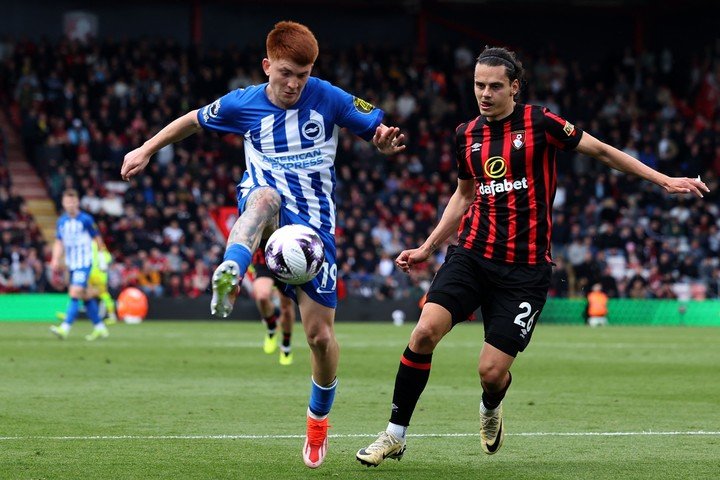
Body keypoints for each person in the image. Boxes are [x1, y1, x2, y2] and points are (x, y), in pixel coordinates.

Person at [356, 46, 709, 467]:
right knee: (424, 332)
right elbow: (464, 195)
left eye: (494, 86)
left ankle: (490, 407)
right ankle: (394, 435)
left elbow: (601, 151)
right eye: (478, 85)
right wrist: (428, 247)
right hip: (471, 255)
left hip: (525, 271)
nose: (484, 94)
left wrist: (663, 180)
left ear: (515, 87)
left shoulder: (541, 123)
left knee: (491, 372)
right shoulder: (465, 134)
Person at [120, 21, 405, 468]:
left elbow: (376, 126)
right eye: (286, 72)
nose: (294, 83)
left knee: (320, 337)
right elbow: (192, 120)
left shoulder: (327, 97)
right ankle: (231, 270)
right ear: (267, 66)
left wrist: (384, 142)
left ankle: (317, 425)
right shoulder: (243, 103)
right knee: (262, 198)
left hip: (313, 230)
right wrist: (146, 149)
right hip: (267, 206)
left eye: (303, 74)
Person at [49, 189, 111, 341]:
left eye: (72, 201)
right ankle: (100, 328)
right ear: (63, 203)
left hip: (84, 262)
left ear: (77, 202)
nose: (70, 204)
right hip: (72, 263)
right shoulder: (61, 222)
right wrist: (55, 258)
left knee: (75, 292)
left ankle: (64, 328)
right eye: (67, 201)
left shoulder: (86, 219)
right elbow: (59, 242)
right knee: (86, 296)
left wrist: (102, 255)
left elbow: (97, 238)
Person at [249, 245, 296, 365]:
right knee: (262, 297)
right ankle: (271, 326)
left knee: (286, 308)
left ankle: (286, 345)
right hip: (264, 260)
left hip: (287, 260)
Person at [56, 241, 118, 325]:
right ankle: (112, 316)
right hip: (101, 276)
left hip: (91, 274)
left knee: (79, 292)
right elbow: (109, 260)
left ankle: (70, 315)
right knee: (104, 295)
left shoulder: (89, 247)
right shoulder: (104, 252)